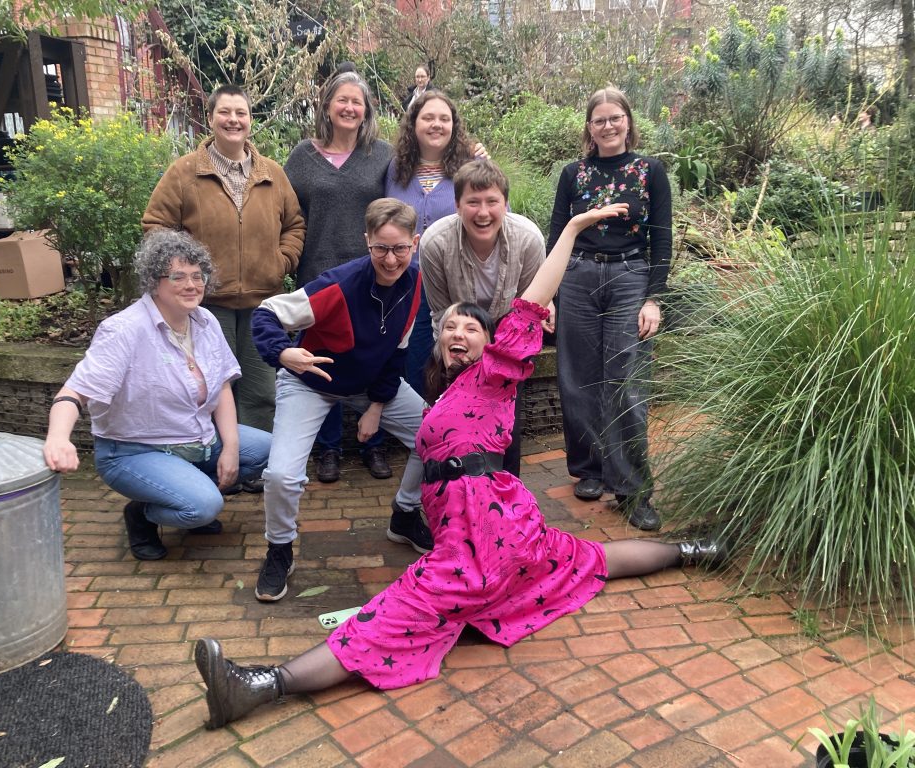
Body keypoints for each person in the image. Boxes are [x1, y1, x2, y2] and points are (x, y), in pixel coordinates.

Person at [192, 202, 728, 727]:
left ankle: (260, 685)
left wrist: (571, 230)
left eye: (472, 328)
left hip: (483, 533)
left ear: (493, 343)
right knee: (590, 558)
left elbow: (533, 299)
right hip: (488, 532)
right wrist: (375, 410)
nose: (458, 333)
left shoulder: (494, 376)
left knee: (389, 617)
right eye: (450, 327)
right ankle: (695, 550)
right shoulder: (444, 398)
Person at [42, 230, 272, 560]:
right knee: (204, 506)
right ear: (154, 281)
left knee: (271, 451)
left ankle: (184, 490)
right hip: (134, 451)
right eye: (178, 276)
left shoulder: (205, 321)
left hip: (198, 439)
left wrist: (231, 449)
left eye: (198, 275)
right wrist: (58, 439)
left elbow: (222, 386)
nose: (191, 285)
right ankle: (144, 514)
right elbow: (74, 392)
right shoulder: (124, 330)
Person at [249, 198, 433, 602]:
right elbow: (266, 313)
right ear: (367, 241)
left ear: (415, 243)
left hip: (368, 384)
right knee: (281, 475)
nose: (390, 259)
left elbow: (397, 352)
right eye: (381, 248)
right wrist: (283, 352)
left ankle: (405, 515)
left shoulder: (415, 281)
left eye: (400, 248)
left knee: (437, 435)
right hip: (310, 381)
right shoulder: (338, 284)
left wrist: (377, 406)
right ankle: (279, 548)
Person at [142, 85, 304, 436]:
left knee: (262, 392)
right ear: (211, 118)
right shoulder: (184, 173)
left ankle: (255, 457)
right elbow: (156, 226)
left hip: (263, 304)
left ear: (250, 120)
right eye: (225, 112)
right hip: (206, 304)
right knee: (210, 388)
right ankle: (216, 456)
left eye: (241, 113)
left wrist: (281, 261)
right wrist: (184, 275)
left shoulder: (272, 173)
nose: (233, 120)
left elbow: (294, 224)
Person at [547, 86, 672, 532]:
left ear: (628, 121)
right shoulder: (573, 174)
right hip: (578, 276)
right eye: (599, 119)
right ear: (589, 127)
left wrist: (654, 298)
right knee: (577, 378)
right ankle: (590, 469)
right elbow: (557, 236)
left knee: (627, 382)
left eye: (615, 117)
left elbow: (662, 239)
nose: (607, 126)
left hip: (629, 276)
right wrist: (551, 297)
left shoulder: (650, 171)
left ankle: (632, 488)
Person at [283, 71, 395, 483]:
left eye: (357, 102)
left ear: (366, 110)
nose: (349, 108)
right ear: (327, 105)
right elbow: (283, 213)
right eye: (342, 100)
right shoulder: (301, 157)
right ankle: (328, 448)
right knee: (321, 360)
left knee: (373, 356)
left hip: (372, 277)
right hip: (319, 276)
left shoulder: (382, 156)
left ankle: (373, 443)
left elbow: (418, 187)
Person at [419, 159, 548, 477]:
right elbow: (442, 312)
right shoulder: (435, 242)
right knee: (452, 427)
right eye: (473, 202)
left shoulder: (528, 240)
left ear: (505, 204)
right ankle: (451, 495)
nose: (483, 212)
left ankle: (506, 495)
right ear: (457, 205)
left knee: (505, 426)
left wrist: (497, 359)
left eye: (492, 201)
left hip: (507, 343)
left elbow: (526, 311)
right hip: (458, 340)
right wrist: (459, 359)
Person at [385, 91, 475, 396]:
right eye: (428, 117)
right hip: (405, 283)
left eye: (444, 119)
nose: (436, 124)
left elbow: (499, 214)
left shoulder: (471, 165)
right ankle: (419, 422)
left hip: (456, 280)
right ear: (414, 124)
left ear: (453, 126)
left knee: (456, 361)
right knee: (414, 361)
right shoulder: (396, 169)